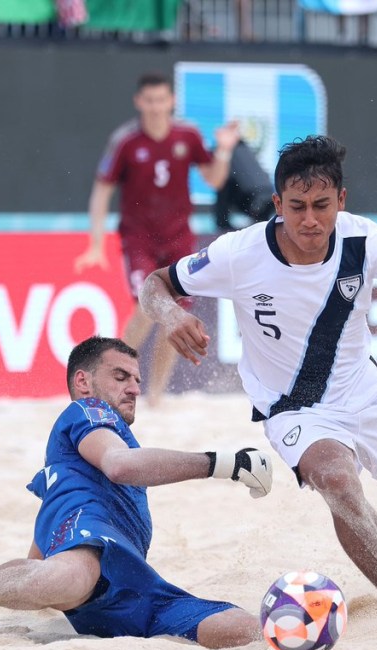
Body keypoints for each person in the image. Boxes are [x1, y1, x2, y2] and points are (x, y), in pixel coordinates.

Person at [140, 135, 377, 622]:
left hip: (363, 388)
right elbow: (154, 283)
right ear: (277, 205)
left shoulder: (364, 239)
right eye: (297, 206)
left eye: (322, 206)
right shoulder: (239, 253)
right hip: (293, 406)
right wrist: (169, 315)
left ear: (342, 202)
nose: (310, 219)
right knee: (337, 481)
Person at [0, 336, 273, 648]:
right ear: (84, 382)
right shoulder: (87, 413)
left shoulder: (81, 461)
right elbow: (121, 467)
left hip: (133, 585)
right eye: (121, 377)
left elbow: (38, 548)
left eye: (137, 379)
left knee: (246, 631)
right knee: (63, 579)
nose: (135, 387)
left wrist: (31, 580)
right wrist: (225, 463)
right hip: (90, 562)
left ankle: (295, 628)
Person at [73, 72, 240, 406]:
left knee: (173, 318)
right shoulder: (126, 141)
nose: (155, 107)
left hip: (179, 238)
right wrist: (94, 243)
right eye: (149, 100)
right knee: (147, 309)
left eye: (161, 99)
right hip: (139, 240)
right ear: (139, 102)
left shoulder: (187, 135)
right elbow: (101, 190)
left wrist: (222, 150)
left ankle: (157, 397)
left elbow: (214, 178)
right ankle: (108, 386)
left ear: (171, 101)